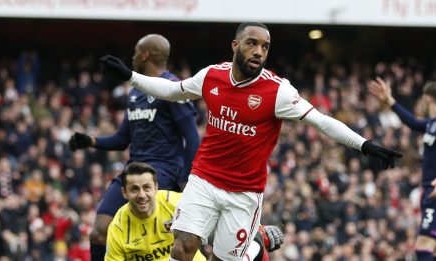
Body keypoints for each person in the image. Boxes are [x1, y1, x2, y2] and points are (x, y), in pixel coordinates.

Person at [99, 22, 402, 261]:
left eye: (265, 47)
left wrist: (364, 144)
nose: (259, 51)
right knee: (182, 249)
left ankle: (254, 243)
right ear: (236, 45)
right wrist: (131, 76)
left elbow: (321, 121)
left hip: (244, 192)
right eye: (252, 43)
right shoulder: (211, 77)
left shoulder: (277, 91)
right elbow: (172, 90)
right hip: (204, 178)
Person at [68, 34, 201, 261]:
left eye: (136, 51)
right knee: (98, 232)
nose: (133, 56)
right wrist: (91, 141)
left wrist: (189, 181)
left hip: (163, 173)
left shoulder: (174, 88)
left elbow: (192, 137)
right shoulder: (135, 92)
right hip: (132, 171)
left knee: (169, 242)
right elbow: (123, 138)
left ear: (145, 54)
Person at [368, 78, 436, 261]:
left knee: (423, 247)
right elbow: (414, 123)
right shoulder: (434, 122)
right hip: (433, 192)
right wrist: (390, 101)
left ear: (427, 99)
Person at [105, 162, 284, 261]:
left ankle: (256, 242)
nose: (142, 195)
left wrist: (256, 228)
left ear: (156, 187)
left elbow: (223, 217)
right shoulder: (118, 228)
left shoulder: (173, 202)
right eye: (135, 189)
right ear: (124, 193)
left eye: (147, 188)